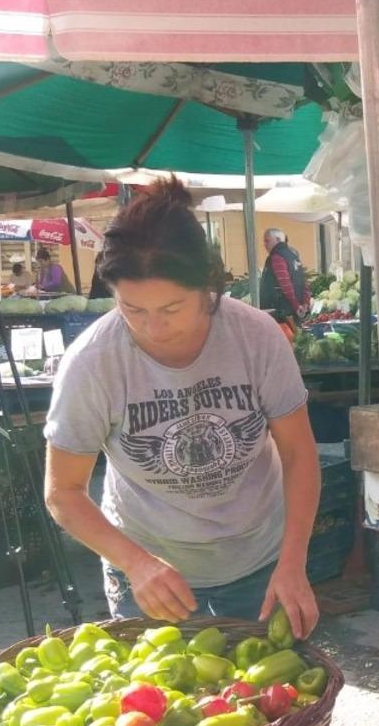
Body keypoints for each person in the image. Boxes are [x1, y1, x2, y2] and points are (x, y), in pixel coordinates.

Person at [42, 177, 322, 638]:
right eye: (133, 309)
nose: (153, 327)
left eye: (171, 308)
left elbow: (298, 454)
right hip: (149, 569)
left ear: (208, 287)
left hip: (260, 561)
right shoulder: (92, 362)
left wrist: (293, 562)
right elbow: (63, 493)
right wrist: (136, 564)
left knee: (270, 701)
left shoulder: (256, 337)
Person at [260, 228, 309, 323]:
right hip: (294, 310)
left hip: (281, 310)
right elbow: (304, 282)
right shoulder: (293, 255)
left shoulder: (277, 257)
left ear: (278, 239)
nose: (265, 245)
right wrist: (304, 304)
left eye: (267, 241)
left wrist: (296, 305)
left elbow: (285, 284)